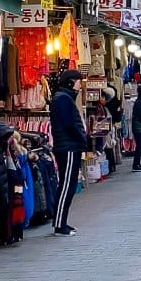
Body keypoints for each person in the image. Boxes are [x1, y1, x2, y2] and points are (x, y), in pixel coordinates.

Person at [48, 70, 87, 235]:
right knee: (66, 186)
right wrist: (82, 138)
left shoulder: (63, 98)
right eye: (78, 81)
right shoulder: (63, 99)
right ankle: (59, 224)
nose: (80, 84)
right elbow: (69, 124)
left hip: (69, 145)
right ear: (71, 82)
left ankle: (61, 222)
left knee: (68, 185)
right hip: (68, 147)